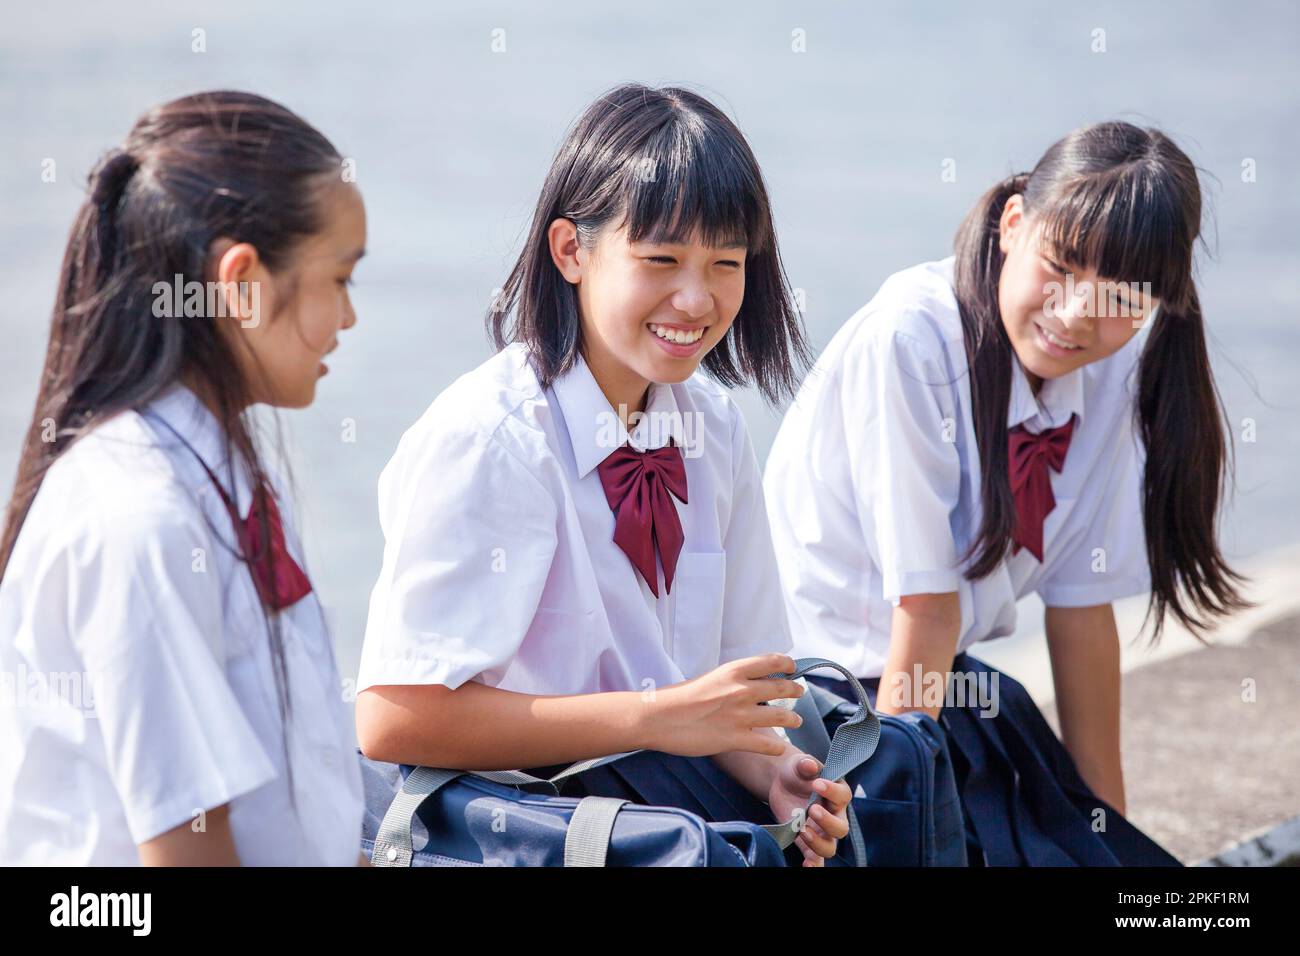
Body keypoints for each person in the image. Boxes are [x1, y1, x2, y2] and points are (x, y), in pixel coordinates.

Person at [355, 83, 851, 866]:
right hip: (512, 818)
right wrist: (654, 717)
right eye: (661, 260)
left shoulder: (713, 428)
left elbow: (722, 697)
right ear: (571, 251)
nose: (697, 298)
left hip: (650, 804)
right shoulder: (492, 438)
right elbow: (391, 720)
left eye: (727, 262)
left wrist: (776, 772)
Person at [763, 121, 1247, 865]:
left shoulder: (1111, 371)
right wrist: (898, 832)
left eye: (1121, 295)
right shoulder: (913, 338)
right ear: (1015, 224)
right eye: (1061, 265)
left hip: (947, 693)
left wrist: (1104, 833)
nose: (1078, 313)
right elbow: (925, 611)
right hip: (828, 708)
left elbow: (1083, 616)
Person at [0, 91, 368, 865]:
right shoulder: (141, 514)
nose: (349, 318)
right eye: (341, 279)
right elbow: (186, 849)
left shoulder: (219, 470)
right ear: (242, 282)